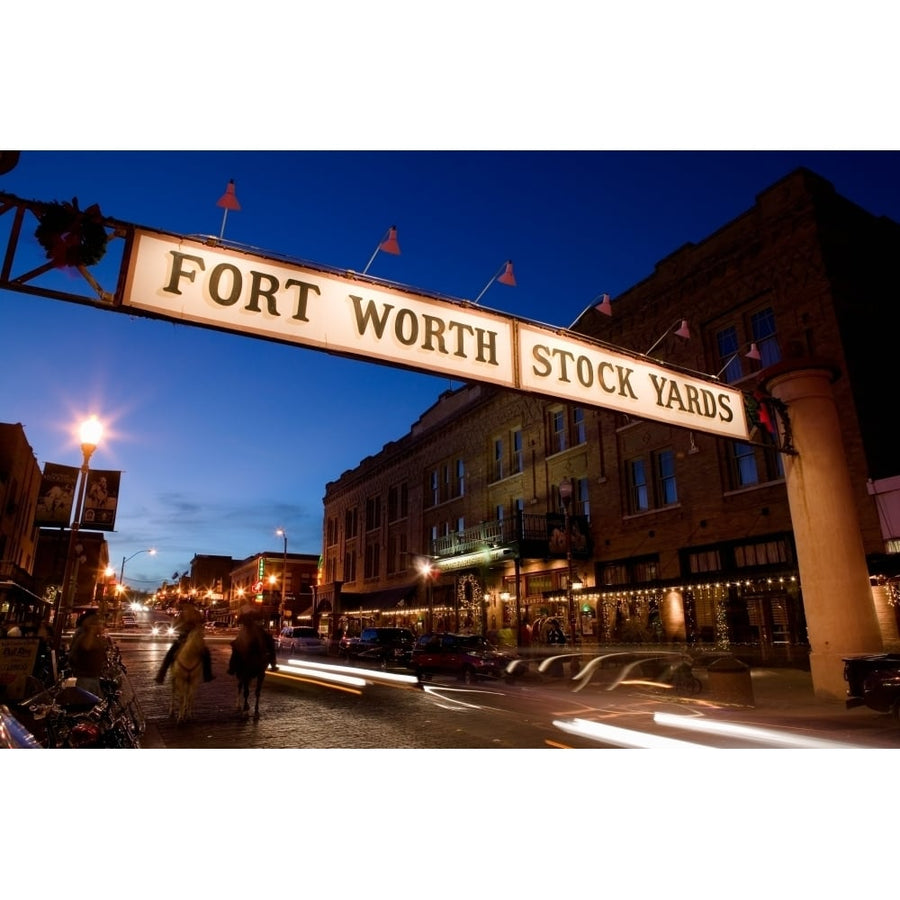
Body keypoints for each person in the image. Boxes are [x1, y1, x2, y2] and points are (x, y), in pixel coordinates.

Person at [155, 604, 213, 684]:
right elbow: (177, 625)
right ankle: (161, 674)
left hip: (193, 637)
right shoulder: (188, 614)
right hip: (184, 638)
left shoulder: (192, 614)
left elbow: (177, 625)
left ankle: (161, 675)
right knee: (171, 653)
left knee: (206, 653)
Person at [66, 612, 107, 696]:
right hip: (86, 679)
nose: (102, 627)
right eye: (99, 624)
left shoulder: (94, 637)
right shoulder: (87, 636)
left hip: (92, 677)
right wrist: (91, 631)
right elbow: (86, 647)